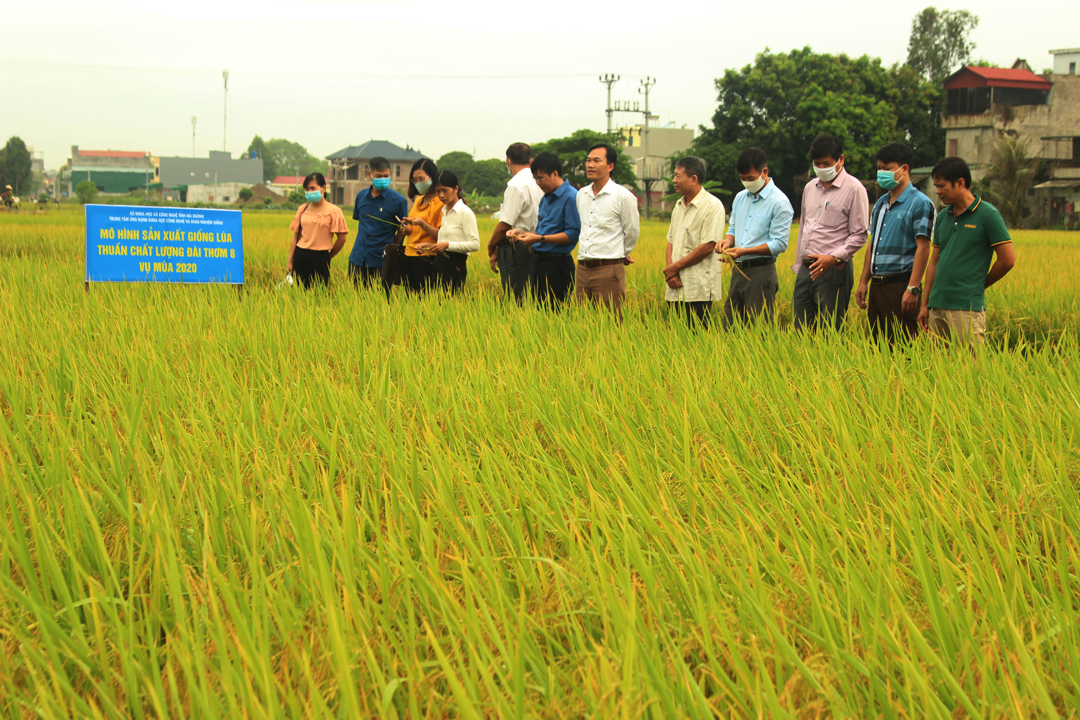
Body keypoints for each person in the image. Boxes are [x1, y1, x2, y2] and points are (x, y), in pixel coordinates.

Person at [918, 157, 1015, 348]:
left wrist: (980, 284)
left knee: (968, 369)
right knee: (937, 369)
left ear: (960, 183)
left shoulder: (988, 215)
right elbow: (934, 262)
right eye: (936, 186)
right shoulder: (943, 217)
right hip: (937, 305)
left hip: (966, 307)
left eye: (942, 186)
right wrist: (925, 305)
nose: (937, 191)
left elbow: (1008, 260)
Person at [855, 142, 936, 343]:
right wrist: (864, 281)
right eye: (879, 169)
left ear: (904, 169)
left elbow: (923, 248)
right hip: (877, 285)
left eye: (887, 169)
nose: (881, 173)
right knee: (877, 346)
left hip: (900, 285)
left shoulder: (920, 203)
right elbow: (872, 246)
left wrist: (913, 288)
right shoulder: (881, 203)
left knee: (903, 346)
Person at [791, 134, 869, 331]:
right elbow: (804, 228)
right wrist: (799, 264)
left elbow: (860, 234)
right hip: (806, 269)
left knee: (831, 330)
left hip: (833, 270)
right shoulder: (810, 187)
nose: (822, 168)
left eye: (827, 163)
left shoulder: (854, 189)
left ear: (840, 160)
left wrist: (833, 258)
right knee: (800, 328)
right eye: (817, 164)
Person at [718, 148, 793, 326]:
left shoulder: (779, 202)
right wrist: (726, 242)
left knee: (760, 329)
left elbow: (779, 244)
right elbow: (734, 229)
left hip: (761, 272)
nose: (746, 182)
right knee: (731, 325)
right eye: (742, 178)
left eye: (750, 178)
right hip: (738, 271)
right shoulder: (740, 198)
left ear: (764, 172)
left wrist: (744, 251)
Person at [506, 152, 580, 309]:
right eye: (535, 179)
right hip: (539, 263)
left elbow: (572, 234)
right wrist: (522, 233)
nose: (538, 183)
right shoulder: (546, 197)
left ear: (554, 174)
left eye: (540, 178)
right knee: (540, 313)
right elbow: (541, 231)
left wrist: (538, 239)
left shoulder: (571, 197)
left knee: (557, 313)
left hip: (558, 265)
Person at [575, 143, 640, 316]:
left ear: (610, 166)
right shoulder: (581, 194)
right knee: (582, 323)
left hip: (608, 270)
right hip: (582, 268)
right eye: (588, 161)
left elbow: (632, 232)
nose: (590, 165)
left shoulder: (623, 196)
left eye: (597, 160)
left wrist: (620, 254)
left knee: (610, 324)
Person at [662, 156, 726, 328]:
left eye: (677, 176)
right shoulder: (678, 205)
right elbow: (671, 240)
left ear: (693, 179)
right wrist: (671, 272)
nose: (674, 180)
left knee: (696, 343)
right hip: (675, 286)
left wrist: (675, 268)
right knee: (673, 339)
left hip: (698, 289)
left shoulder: (712, 206)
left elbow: (707, 247)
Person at [487, 142, 543, 302]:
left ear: (508, 161)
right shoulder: (539, 182)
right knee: (531, 294)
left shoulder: (516, 186)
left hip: (516, 248)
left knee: (516, 297)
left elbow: (504, 224)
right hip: (537, 242)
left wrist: (491, 246)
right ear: (531, 161)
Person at [348, 156, 408, 290]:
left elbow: (401, 230)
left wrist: (391, 249)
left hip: (382, 261)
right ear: (370, 175)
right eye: (378, 175)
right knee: (354, 301)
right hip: (358, 258)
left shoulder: (399, 201)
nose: (383, 179)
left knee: (381, 302)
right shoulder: (361, 196)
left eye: (386, 175)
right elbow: (361, 223)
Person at [415, 170, 479, 294]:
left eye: (445, 190)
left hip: (455, 266)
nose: (441, 195)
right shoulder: (445, 211)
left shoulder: (465, 213)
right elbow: (443, 239)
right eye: (438, 191)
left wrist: (448, 245)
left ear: (456, 188)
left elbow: (475, 244)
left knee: (450, 306)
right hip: (439, 264)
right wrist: (429, 246)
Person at [286, 172, 348, 289]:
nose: (310, 191)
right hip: (300, 256)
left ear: (323, 188)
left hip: (321, 258)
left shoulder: (334, 211)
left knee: (320, 294)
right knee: (298, 293)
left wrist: (328, 257)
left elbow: (342, 239)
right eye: (307, 189)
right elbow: (295, 237)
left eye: (313, 188)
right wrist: (289, 261)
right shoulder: (302, 209)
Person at [398, 158, 443, 294]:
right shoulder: (418, 201)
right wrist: (406, 230)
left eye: (421, 178)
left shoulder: (440, 202)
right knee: (410, 300)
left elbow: (441, 235)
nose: (418, 183)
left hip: (427, 257)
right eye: (415, 180)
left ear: (432, 177)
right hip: (409, 255)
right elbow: (413, 227)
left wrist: (423, 225)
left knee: (425, 300)